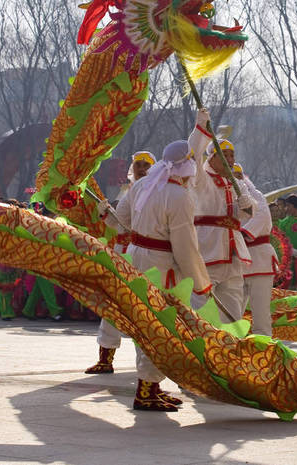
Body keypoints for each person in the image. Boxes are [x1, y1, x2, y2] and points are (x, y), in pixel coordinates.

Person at [103, 139, 213, 411]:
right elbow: (185, 246)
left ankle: (150, 385)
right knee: (160, 326)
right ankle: (146, 390)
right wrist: (200, 282)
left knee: (147, 323)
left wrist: (106, 213)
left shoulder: (142, 185)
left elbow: (122, 220)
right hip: (162, 267)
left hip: (138, 258)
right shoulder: (178, 196)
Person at [85, 150, 155, 374]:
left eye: (147, 165)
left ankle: (150, 365)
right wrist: (108, 215)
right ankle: (106, 358)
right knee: (112, 305)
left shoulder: (158, 192)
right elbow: (120, 223)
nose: (142, 169)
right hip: (122, 252)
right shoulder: (130, 191)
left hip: (148, 256)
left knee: (146, 309)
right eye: (138, 165)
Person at [188, 108, 254, 323]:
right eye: (223, 155)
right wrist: (201, 129)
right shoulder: (202, 179)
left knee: (233, 306)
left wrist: (246, 206)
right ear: (212, 158)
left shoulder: (236, 183)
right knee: (201, 303)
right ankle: (197, 345)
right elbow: (193, 154)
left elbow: (249, 215)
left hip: (233, 254)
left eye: (232, 154)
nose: (229, 159)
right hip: (208, 249)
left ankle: (230, 349)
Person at [239, 165, 278, 337]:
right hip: (238, 260)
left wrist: (241, 234)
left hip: (259, 259)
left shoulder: (255, 195)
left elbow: (261, 215)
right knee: (232, 310)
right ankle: (231, 345)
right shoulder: (224, 197)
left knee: (260, 311)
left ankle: (263, 349)